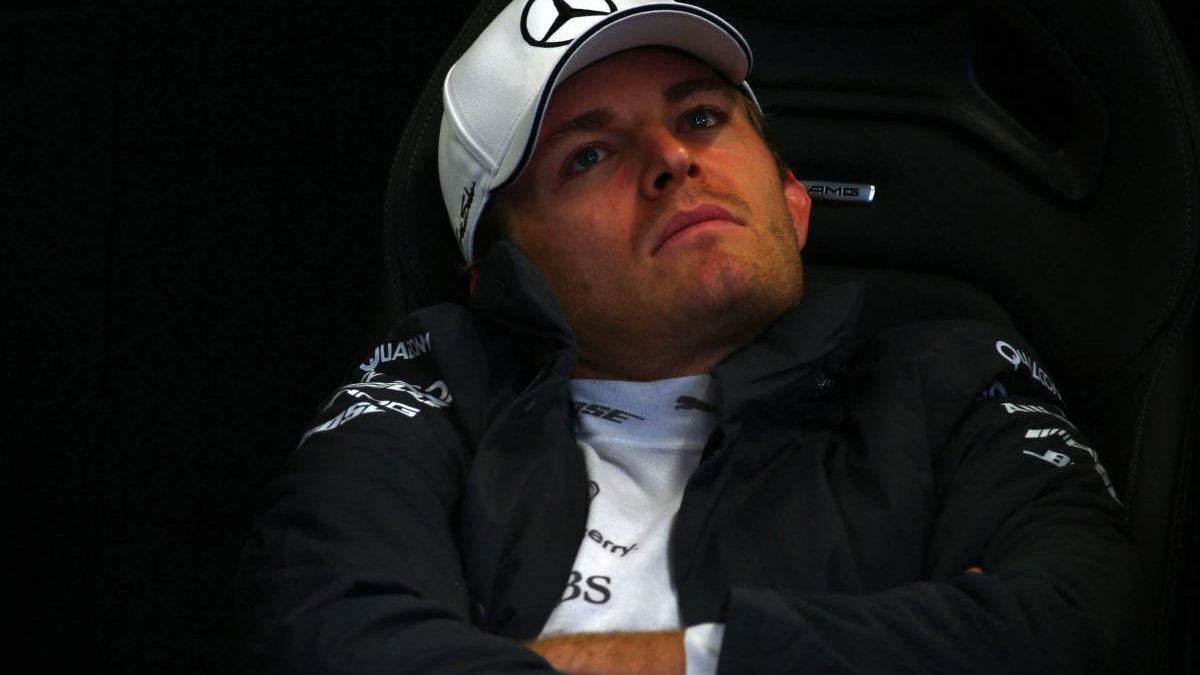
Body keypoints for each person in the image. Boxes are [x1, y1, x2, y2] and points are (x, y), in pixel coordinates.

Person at [238, 1, 1141, 673]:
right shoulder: (435, 384)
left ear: (792, 198)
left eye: (701, 117)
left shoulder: (951, 380)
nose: (672, 158)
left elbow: (1076, 621)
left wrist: (662, 660)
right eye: (589, 154)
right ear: (502, 277)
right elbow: (324, 630)